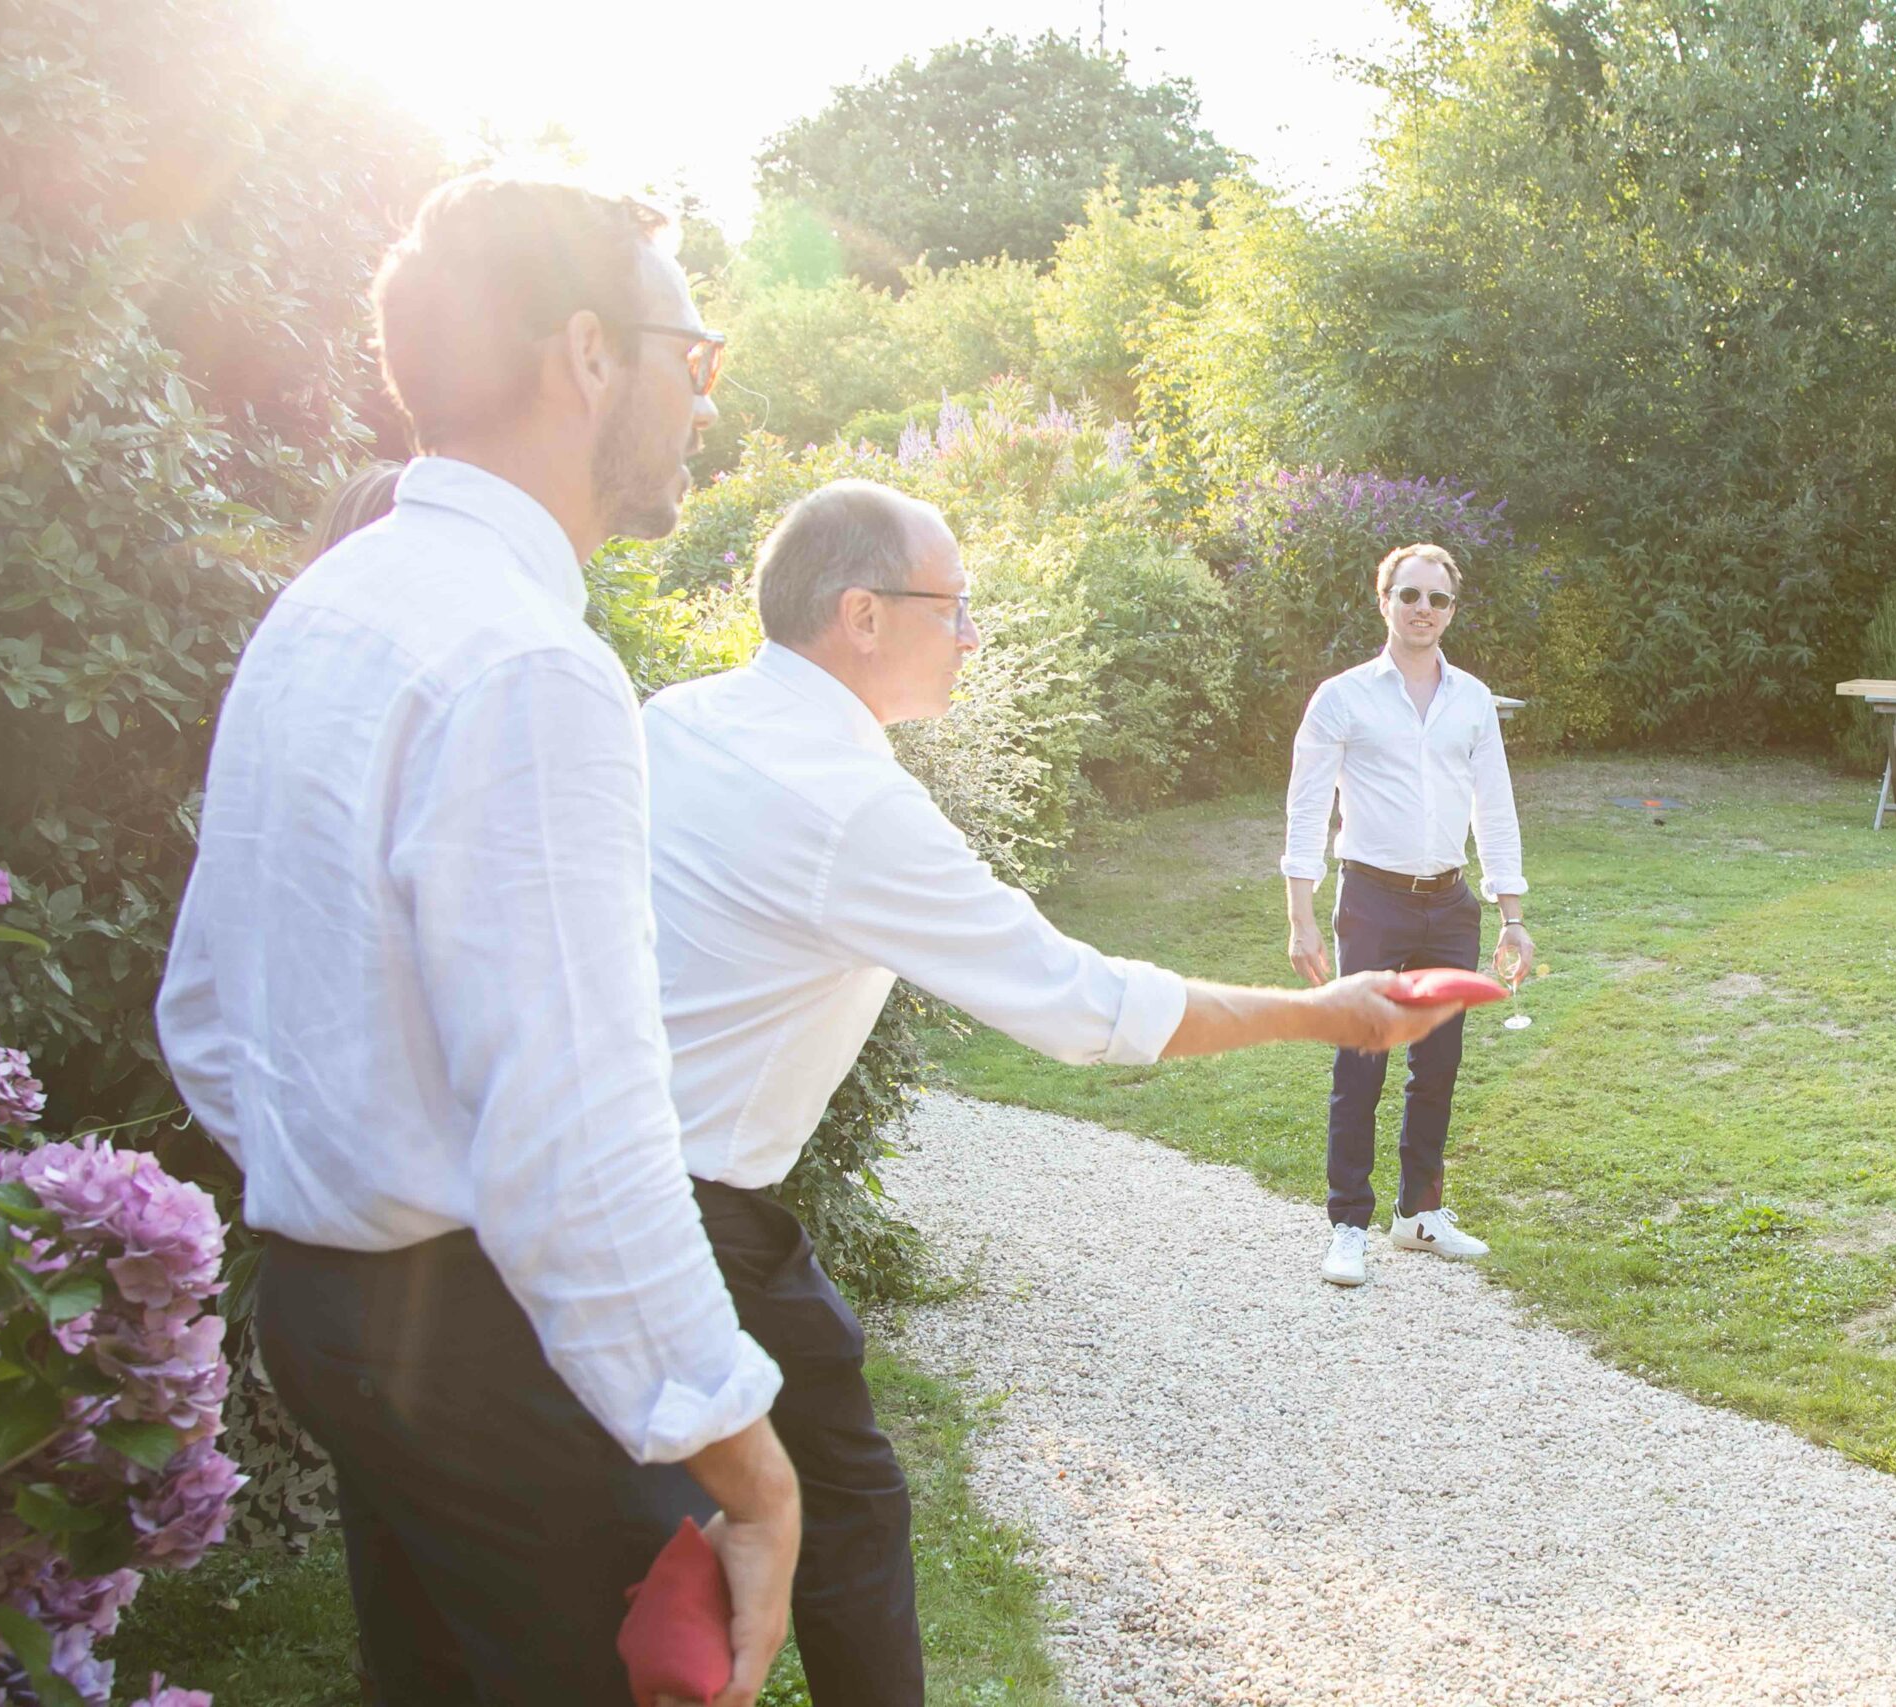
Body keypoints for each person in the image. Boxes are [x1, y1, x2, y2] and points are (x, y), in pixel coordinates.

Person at [638, 478, 1464, 1704]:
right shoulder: (847, 804)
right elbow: (1081, 1007)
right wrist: (1326, 1013)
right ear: (861, 616)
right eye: (954, 607)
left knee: (812, 1484)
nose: (972, 636)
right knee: (805, 1506)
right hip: (682, 1213)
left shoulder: (680, 717)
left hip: (607, 1179)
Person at [157, 176, 796, 1707]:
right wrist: (757, 1471)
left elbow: (208, 1011)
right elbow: (578, 1155)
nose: (706, 399)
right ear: (589, 352)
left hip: (335, 1316)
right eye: (694, 354)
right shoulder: (525, 665)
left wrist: (348, 1186)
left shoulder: (328, 603)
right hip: (507, 1365)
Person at [1282, 543, 1537, 1287]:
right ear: (1384, 600)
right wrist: (1300, 915)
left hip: (1450, 906)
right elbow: (1306, 809)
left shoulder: (1472, 700)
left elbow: (1495, 807)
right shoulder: (1342, 697)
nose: (1424, 609)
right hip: (1371, 900)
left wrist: (1511, 914)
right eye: (1410, 595)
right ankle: (1348, 1225)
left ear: (1452, 610)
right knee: (1361, 1061)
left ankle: (1418, 1215)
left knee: (1438, 1066)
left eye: (1438, 598)